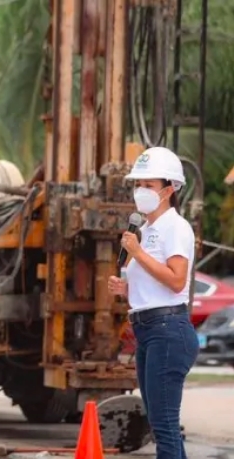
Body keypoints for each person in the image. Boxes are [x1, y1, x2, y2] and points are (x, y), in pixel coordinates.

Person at [108, 146, 197, 459]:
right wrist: (127, 286)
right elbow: (155, 283)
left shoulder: (175, 227)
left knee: (165, 426)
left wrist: (138, 253)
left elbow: (175, 280)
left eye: (149, 185)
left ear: (169, 189)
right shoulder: (145, 229)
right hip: (148, 331)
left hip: (168, 331)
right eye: (138, 184)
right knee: (163, 427)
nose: (140, 191)